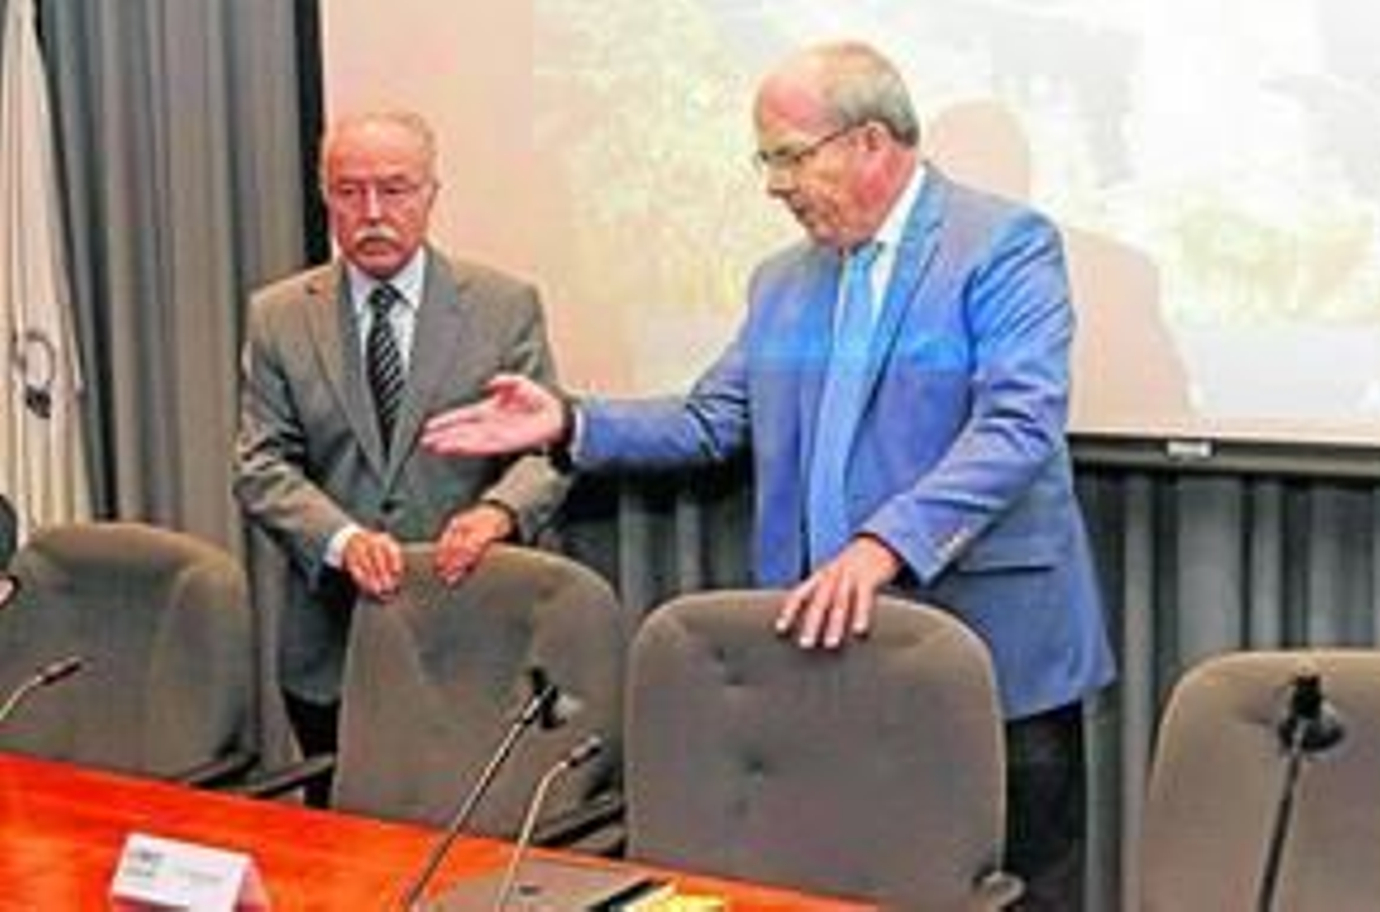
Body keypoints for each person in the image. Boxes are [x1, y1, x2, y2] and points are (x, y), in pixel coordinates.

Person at [422, 43, 1114, 907]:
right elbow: (714, 418)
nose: (775, 185)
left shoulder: (1003, 246)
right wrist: (571, 420)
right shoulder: (782, 283)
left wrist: (882, 545)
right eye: (767, 160)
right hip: (826, 653)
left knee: (1014, 893)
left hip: (992, 652)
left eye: (790, 156)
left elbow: (1016, 424)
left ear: (869, 141)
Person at [233, 111, 569, 796]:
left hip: (472, 626)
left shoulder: (503, 306)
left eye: (395, 189)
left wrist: (498, 514)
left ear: (431, 194)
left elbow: (547, 449)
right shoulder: (279, 316)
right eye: (350, 192)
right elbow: (260, 465)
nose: (373, 213)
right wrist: (342, 539)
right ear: (326, 197)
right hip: (335, 646)